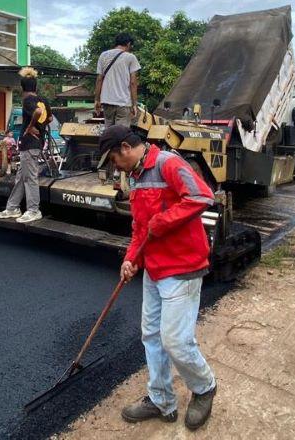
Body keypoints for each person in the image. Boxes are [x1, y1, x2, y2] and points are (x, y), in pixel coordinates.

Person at [96, 125, 217, 430]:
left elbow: (203, 195)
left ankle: (204, 388)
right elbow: (140, 228)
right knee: (151, 336)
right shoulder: (135, 178)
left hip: (183, 266)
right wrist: (130, 259)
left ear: (125, 147)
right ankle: (161, 400)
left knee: (175, 340)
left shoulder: (168, 163)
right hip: (154, 268)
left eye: (112, 158)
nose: (114, 166)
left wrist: (165, 220)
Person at [0, 68, 51, 224]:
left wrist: (30, 126)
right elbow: (50, 118)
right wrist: (40, 128)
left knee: (30, 178)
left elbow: (38, 112)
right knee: (21, 177)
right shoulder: (43, 99)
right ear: (35, 86)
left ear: (22, 88)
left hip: (29, 144)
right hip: (36, 143)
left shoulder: (27, 100)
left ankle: (33, 210)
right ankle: (12, 207)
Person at [94, 32, 141, 127]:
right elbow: (133, 83)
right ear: (128, 44)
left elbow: (99, 79)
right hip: (123, 103)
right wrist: (134, 104)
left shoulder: (103, 55)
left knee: (109, 133)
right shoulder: (130, 57)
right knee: (121, 134)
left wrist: (97, 100)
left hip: (107, 102)